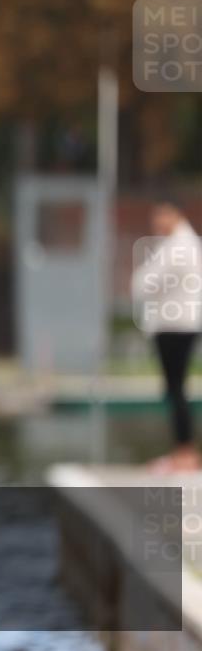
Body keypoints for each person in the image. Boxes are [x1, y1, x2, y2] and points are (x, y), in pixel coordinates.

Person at [131, 202, 202, 473]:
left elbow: (144, 284)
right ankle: (182, 451)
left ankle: (185, 454)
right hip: (174, 324)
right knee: (174, 390)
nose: (157, 223)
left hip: (176, 326)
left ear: (176, 215)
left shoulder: (179, 247)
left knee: (176, 390)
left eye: (162, 216)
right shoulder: (175, 244)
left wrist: (141, 281)